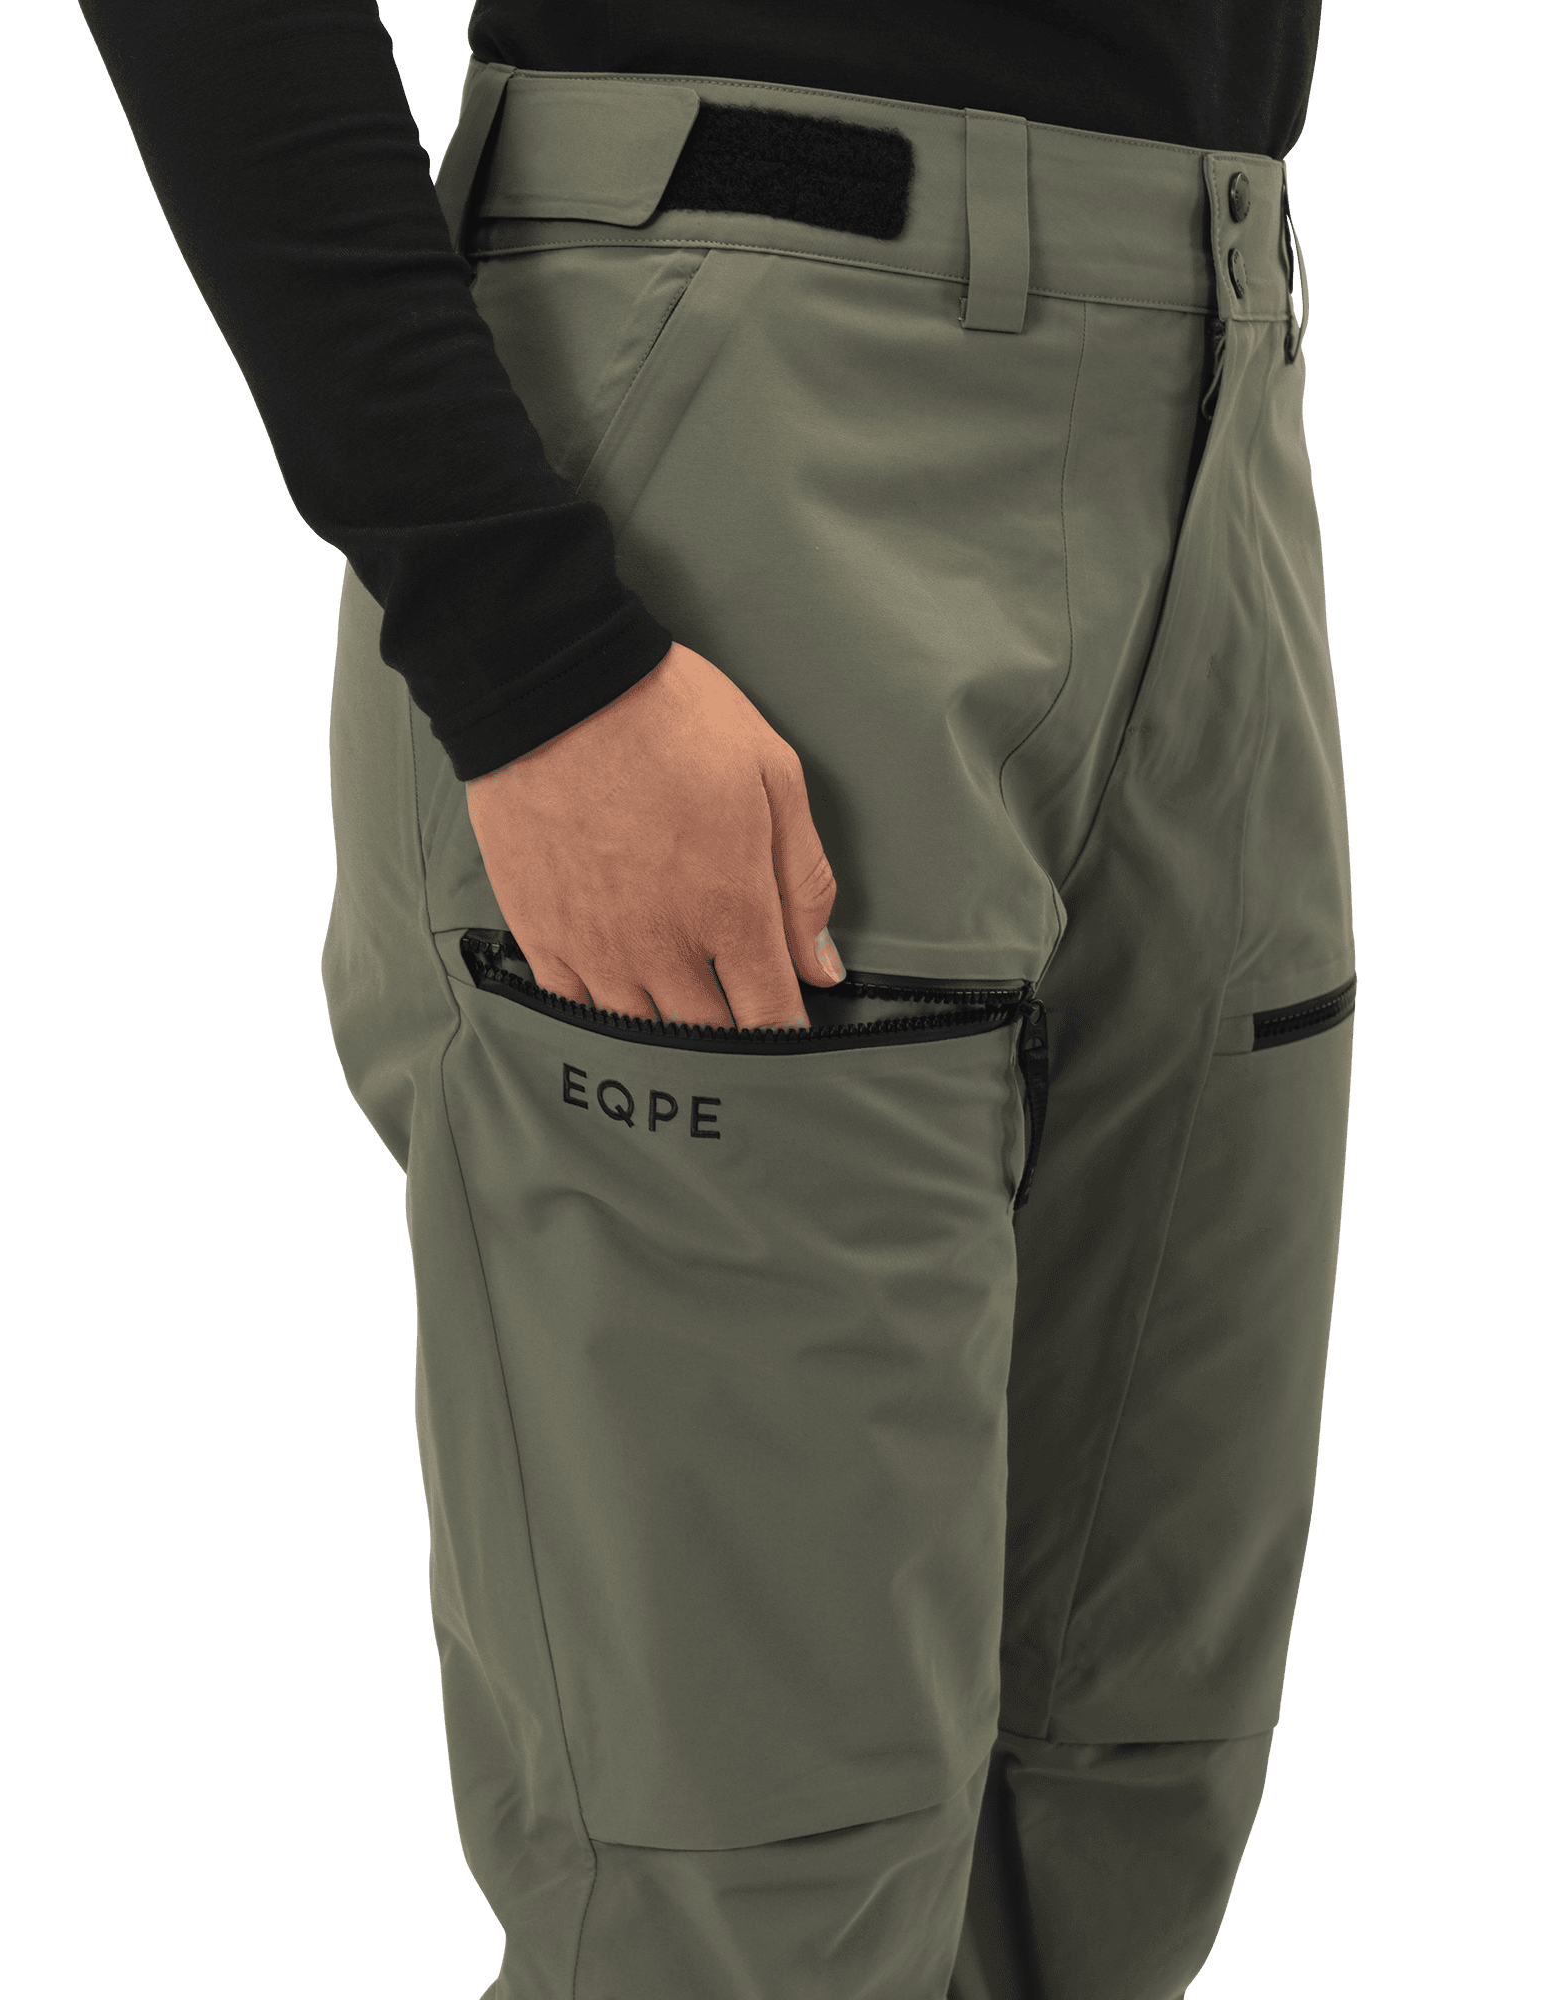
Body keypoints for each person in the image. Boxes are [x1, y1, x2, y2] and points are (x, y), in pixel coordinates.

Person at [80, 4, 1354, 1994]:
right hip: (746, 433)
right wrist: (525, 647)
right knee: (751, 1879)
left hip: (1222, 398)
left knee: (1116, 1792)